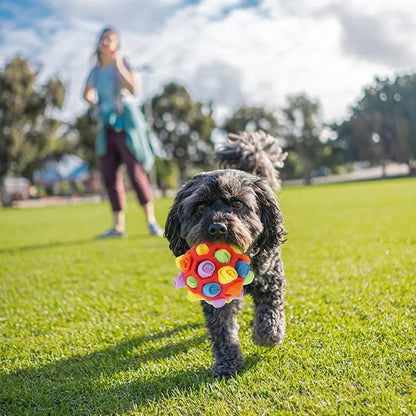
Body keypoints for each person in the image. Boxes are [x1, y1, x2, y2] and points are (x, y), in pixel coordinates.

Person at [83, 27, 163, 238]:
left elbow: (134, 89)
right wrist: (95, 106)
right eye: (103, 38)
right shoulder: (96, 71)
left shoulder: (124, 63)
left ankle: (151, 221)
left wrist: (118, 64)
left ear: (116, 45)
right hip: (106, 127)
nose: (105, 42)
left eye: (110, 39)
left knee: (135, 172)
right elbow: (86, 94)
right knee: (109, 175)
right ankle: (118, 226)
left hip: (126, 125)